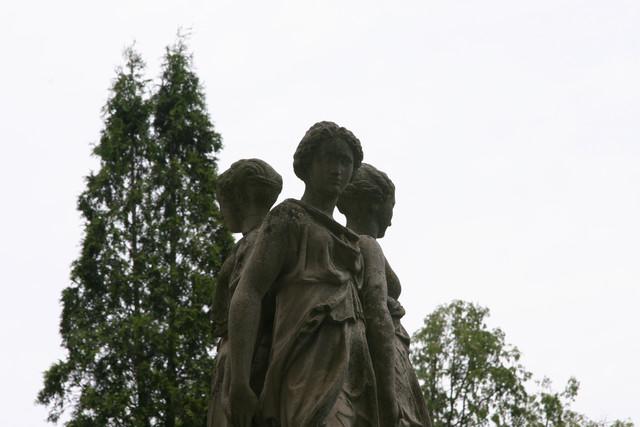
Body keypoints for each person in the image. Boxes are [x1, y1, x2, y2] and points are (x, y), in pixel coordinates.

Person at [227, 122, 395, 426]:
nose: (338, 170)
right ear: (307, 164)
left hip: (354, 369)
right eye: (329, 158)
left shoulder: (352, 242)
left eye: (345, 162)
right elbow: (249, 291)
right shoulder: (289, 217)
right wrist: (239, 381)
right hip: (303, 365)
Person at [338, 163, 433, 427]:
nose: (391, 219)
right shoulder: (367, 245)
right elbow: (376, 311)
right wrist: (388, 395)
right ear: (375, 205)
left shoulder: (342, 244)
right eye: (392, 206)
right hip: (384, 356)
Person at [207, 159, 282, 427]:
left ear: (239, 199)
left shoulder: (254, 245)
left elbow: (247, 305)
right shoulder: (262, 241)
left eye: (222, 203)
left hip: (247, 362)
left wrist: (239, 381)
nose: (221, 212)